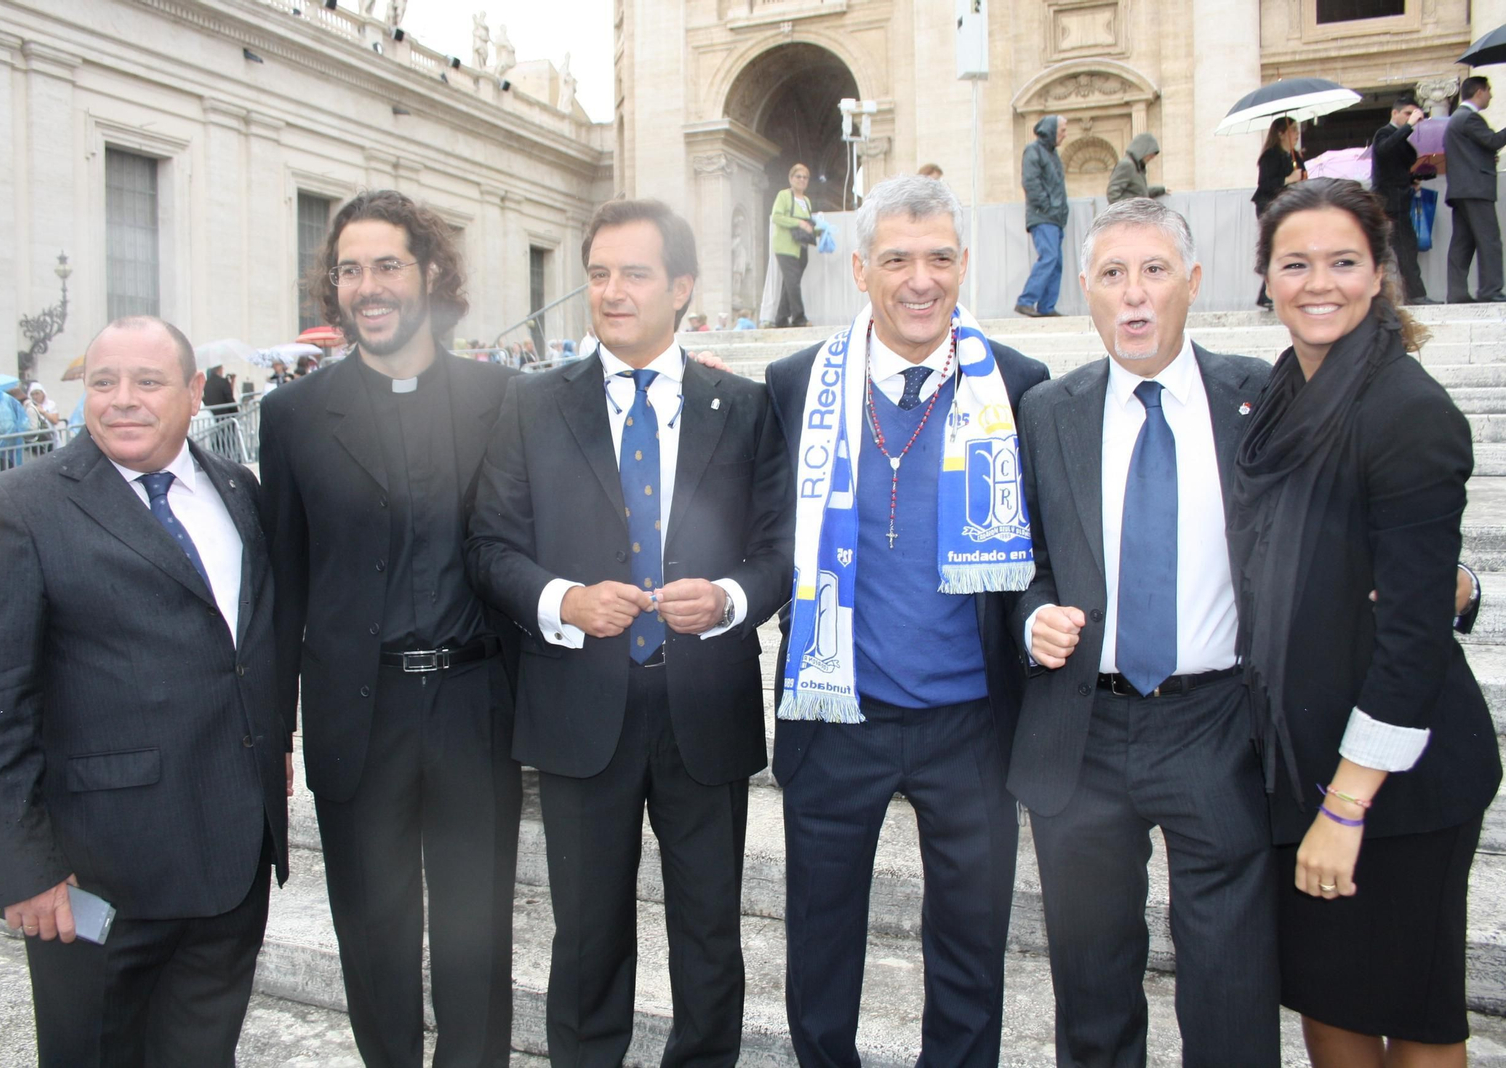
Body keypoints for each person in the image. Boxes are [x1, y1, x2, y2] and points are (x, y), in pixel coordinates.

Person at [467, 197, 792, 1065]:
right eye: (599, 274)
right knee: (585, 941)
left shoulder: (746, 406)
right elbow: (490, 548)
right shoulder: (531, 405)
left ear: (682, 287)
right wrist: (562, 602)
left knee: (711, 937)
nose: (612, 292)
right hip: (582, 715)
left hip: (705, 713)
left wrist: (726, 598)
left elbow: (779, 552)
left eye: (635, 274)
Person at [0, 315, 290, 1066]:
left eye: (148, 382)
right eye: (103, 383)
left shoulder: (238, 491)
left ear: (195, 393)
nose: (122, 400)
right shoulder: (19, 509)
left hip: (231, 869)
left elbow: (253, 644)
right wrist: (24, 871)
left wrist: (276, 744)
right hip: (97, 883)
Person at [765, 174, 1049, 1067]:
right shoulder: (794, 383)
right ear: (859, 268)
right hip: (833, 713)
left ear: (963, 265)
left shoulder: (1022, 383)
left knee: (969, 953)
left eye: (937, 258)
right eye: (896, 258)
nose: (919, 279)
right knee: (819, 947)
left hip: (971, 722)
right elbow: (764, 534)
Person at [1233, 178, 1502, 1066]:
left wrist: (1346, 807)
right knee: (1329, 995)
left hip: (1395, 784)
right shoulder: (1281, 393)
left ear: (1379, 273)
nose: (1321, 283)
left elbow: (1412, 637)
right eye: (1296, 263)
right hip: (1299, 756)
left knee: (1415, 1015)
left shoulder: (1406, 410)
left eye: (1344, 263)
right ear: (1265, 278)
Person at [1012, 198, 1281, 1067]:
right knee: (1092, 987)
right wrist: (1033, 617)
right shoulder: (1049, 410)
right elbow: (1030, 558)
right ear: (1085, 289)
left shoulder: (1260, 396)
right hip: (1084, 729)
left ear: (1193, 283)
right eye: (1113, 275)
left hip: (1216, 726)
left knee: (1233, 982)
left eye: (1155, 270)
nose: (1134, 295)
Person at [259, 190, 520, 1068]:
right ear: (333, 286)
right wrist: (273, 730)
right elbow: (281, 587)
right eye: (349, 269)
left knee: (476, 934)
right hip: (354, 710)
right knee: (372, 932)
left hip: (473, 705)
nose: (367, 286)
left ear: (429, 273)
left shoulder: (501, 399)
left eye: (387, 266)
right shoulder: (292, 418)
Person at [1443, 76, 1506, 304]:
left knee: (1463, 242)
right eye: (1489, 91)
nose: (1491, 96)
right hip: (1475, 188)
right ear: (1479, 92)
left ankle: (1457, 292)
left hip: (1462, 190)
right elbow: (1492, 140)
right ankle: (1490, 290)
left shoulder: (1457, 119)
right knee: (1489, 240)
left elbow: (1476, 150)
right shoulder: (1470, 118)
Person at [1370, 94, 1436, 305]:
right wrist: (1407, 126)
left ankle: (1412, 294)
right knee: (1402, 248)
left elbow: (1393, 166)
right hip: (1389, 202)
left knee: (1405, 248)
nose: (1413, 117)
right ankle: (1415, 295)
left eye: (1414, 114)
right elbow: (1384, 150)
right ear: (1395, 113)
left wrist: (1411, 179)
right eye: (1408, 113)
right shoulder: (1384, 133)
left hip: (1399, 199)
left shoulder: (1399, 137)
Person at [1016, 114, 1069, 317]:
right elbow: (1031, 182)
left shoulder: (1052, 154)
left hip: (1054, 218)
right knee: (1049, 257)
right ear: (1051, 130)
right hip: (1043, 216)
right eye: (1062, 130)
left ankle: (1047, 306)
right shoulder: (1033, 150)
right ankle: (1026, 300)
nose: (1064, 135)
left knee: (1056, 262)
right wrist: (1047, 207)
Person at [1254, 116, 1308, 309]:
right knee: (1276, 247)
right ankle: (1267, 293)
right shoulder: (1270, 156)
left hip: (1289, 207)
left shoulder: (1295, 156)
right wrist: (1288, 179)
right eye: (1293, 130)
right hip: (1271, 208)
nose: (1296, 134)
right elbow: (1265, 185)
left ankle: (1271, 293)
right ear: (1281, 133)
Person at [771, 161, 816, 327]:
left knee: (789, 283)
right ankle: (799, 317)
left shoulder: (807, 201)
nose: (802, 180)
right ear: (791, 178)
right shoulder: (783, 196)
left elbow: (807, 222)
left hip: (801, 247)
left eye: (805, 177)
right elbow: (776, 217)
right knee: (792, 282)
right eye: (798, 176)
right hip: (785, 246)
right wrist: (798, 223)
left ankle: (781, 319)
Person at [1106, 132, 1167, 204]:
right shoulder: (1127, 165)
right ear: (1143, 150)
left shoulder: (1137, 167)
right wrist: (1129, 211)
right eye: (1151, 154)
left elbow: (1140, 193)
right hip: (1129, 214)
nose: (1152, 157)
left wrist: (1162, 190)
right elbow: (1112, 195)